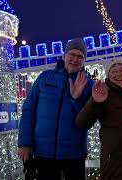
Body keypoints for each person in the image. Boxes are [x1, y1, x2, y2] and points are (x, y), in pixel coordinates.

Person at [18, 38, 94, 180]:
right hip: (43, 152)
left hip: (74, 153)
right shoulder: (45, 78)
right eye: (72, 54)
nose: (75, 59)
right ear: (64, 56)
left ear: (84, 60)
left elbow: (87, 121)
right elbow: (29, 110)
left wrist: (75, 99)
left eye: (80, 56)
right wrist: (24, 143)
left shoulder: (89, 84)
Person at [75, 59, 122, 180]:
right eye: (114, 71)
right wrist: (94, 102)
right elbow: (81, 123)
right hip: (113, 161)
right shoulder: (103, 92)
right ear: (108, 75)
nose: (119, 74)